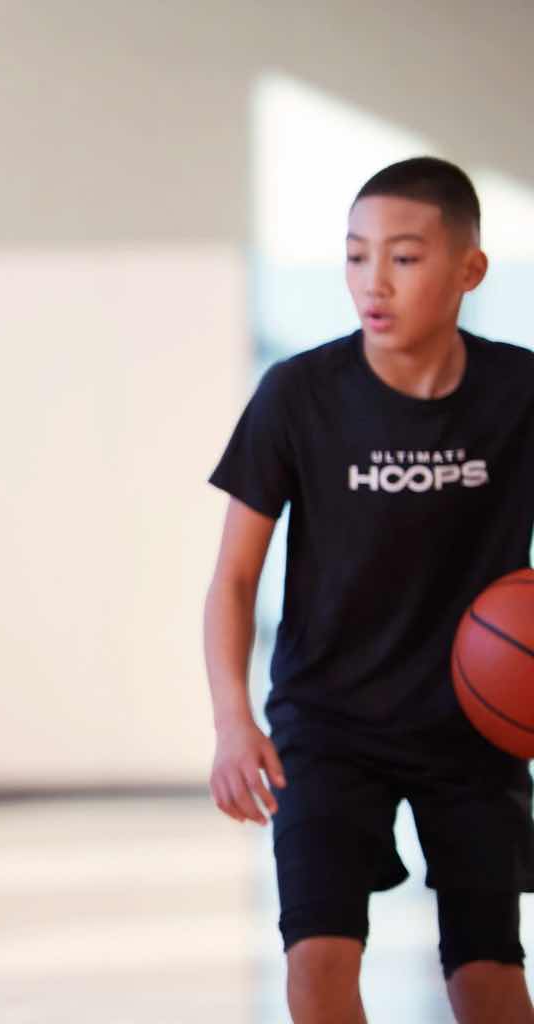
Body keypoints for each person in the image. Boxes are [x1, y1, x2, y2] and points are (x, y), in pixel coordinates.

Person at [204, 156, 534, 1023]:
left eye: (404, 256)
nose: (372, 282)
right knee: (317, 966)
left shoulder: (520, 393)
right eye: (355, 256)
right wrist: (234, 721)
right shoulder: (298, 394)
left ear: (470, 270)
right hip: (328, 724)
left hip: (475, 727)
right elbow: (235, 578)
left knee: (490, 976)